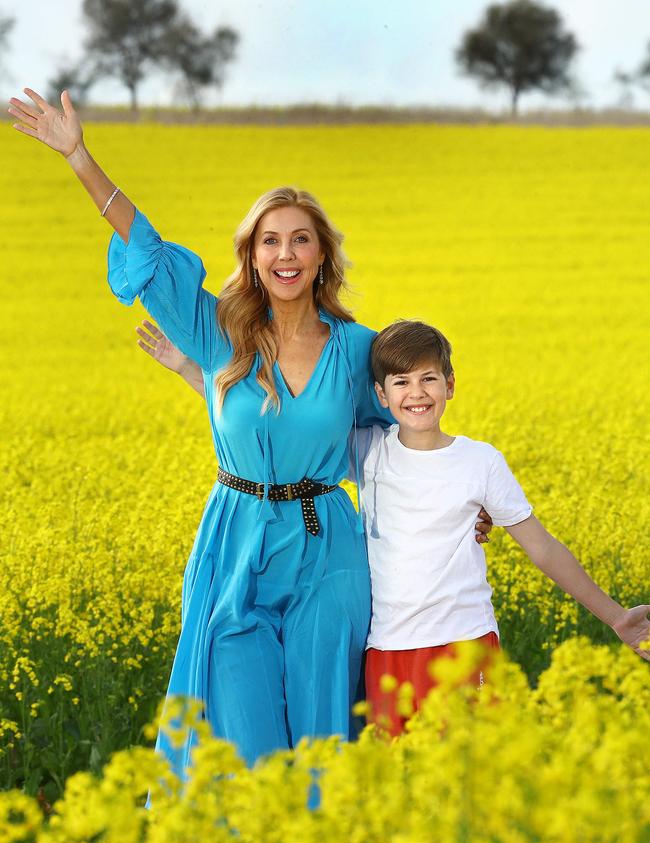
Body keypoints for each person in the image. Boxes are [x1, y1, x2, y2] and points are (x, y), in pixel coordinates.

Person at [7, 88, 494, 773]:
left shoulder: (360, 349)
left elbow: (404, 441)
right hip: (234, 537)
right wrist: (80, 157)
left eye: (301, 238)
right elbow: (145, 250)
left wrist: (460, 509)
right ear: (253, 255)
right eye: (271, 240)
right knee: (243, 733)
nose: (286, 253)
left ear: (322, 254)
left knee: (326, 731)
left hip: (329, 547)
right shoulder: (217, 331)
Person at [360, 320, 650, 734]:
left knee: (474, 776)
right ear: (380, 394)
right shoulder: (367, 449)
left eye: (429, 378)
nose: (417, 392)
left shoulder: (480, 462)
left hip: (464, 640)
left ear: (451, 385)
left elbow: (542, 548)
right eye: (401, 382)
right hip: (387, 647)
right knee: (397, 781)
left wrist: (616, 616)